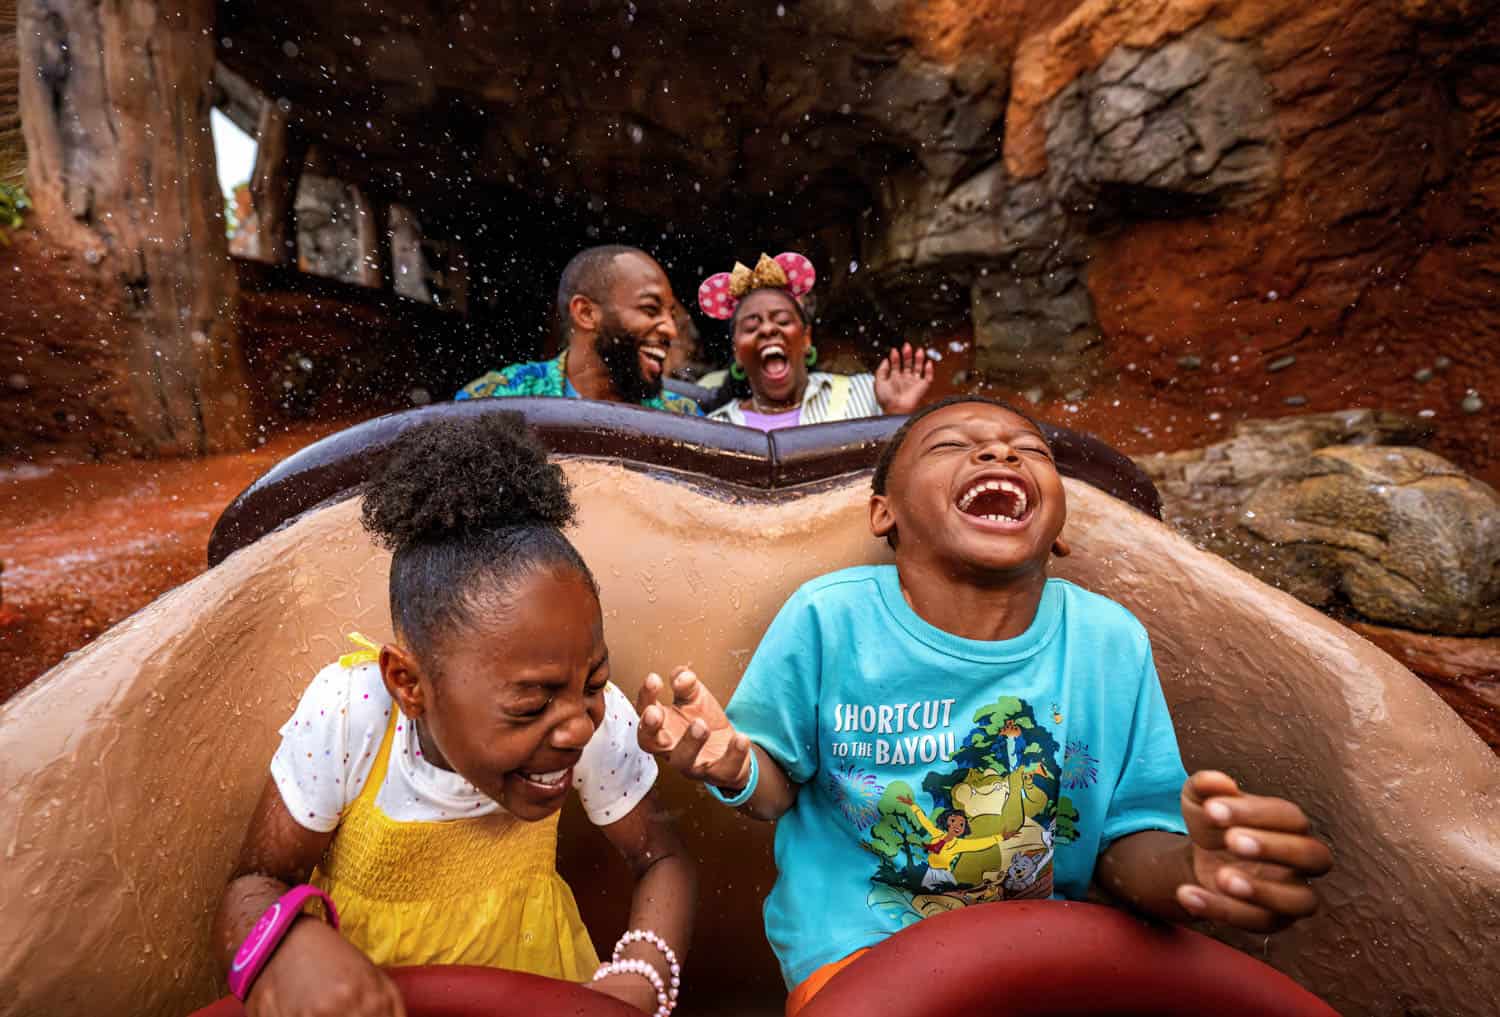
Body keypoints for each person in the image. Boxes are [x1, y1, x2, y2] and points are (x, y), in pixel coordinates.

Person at [634, 395, 1332, 1013]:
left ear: (1058, 525)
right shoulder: (829, 619)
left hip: (1047, 956)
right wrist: (735, 766)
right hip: (865, 963)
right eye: (950, 446)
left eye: (1029, 451)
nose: (999, 451)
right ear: (887, 513)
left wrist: (1194, 872)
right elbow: (776, 787)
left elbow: (1124, 843)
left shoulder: (1108, 642)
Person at [214, 413, 695, 1017]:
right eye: (530, 704)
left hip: (542, 988)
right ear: (409, 683)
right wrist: (288, 949)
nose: (576, 726)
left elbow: (662, 857)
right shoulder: (352, 716)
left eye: (593, 681)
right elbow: (255, 882)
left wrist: (642, 977)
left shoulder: (591, 717)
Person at [696, 252, 933, 430]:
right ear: (737, 352)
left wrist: (897, 413)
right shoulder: (714, 429)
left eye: (782, 320)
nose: (768, 329)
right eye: (751, 326)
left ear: (806, 338)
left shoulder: (868, 393)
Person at [457, 245, 701, 415]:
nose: (670, 330)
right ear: (585, 313)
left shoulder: (684, 420)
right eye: (650, 309)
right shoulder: (500, 398)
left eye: (670, 315)